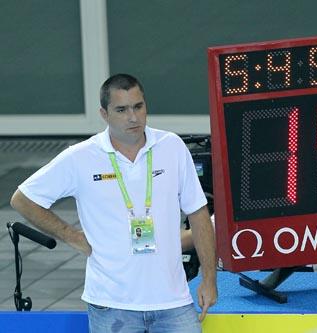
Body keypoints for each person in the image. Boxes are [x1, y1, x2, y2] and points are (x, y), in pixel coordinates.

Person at [10, 73, 217, 332]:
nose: (133, 117)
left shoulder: (172, 147)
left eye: (138, 107)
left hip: (173, 302)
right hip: (111, 305)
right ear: (104, 114)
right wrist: (71, 236)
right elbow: (23, 199)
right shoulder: (81, 157)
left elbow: (198, 214)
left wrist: (209, 278)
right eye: (121, 109)